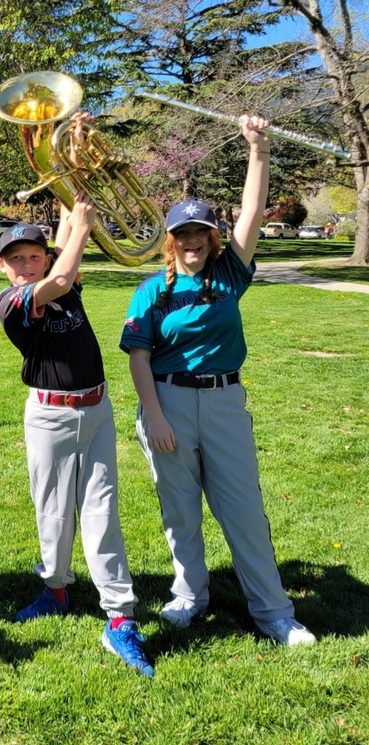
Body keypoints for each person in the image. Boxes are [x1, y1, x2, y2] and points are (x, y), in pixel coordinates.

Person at [120, 115, 316, 646]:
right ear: (170, 239)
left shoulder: (228, 273)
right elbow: (138, 356)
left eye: (200, 232)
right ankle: (190, 594)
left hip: (226, 401)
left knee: (243, 509)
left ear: (212, 236)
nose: (192, 241)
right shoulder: (152, 290)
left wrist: (259, 150)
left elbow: (251, 213)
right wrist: (154, 414)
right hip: (168, 404)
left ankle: (274, 611)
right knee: (179, 507)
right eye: (181, 233)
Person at [0, 168, 153, 677]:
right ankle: (55, 587)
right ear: (3, 268)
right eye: (16, 259)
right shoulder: (13, 300)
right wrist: (83, 222)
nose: (27, 264)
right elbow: (61, 275)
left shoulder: (60, 276)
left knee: (102, 508)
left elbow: (64, 260)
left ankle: (119, 617)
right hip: (50, 415)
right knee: (53, 508)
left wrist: (70, 181)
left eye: (34, 255)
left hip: (97, 409)